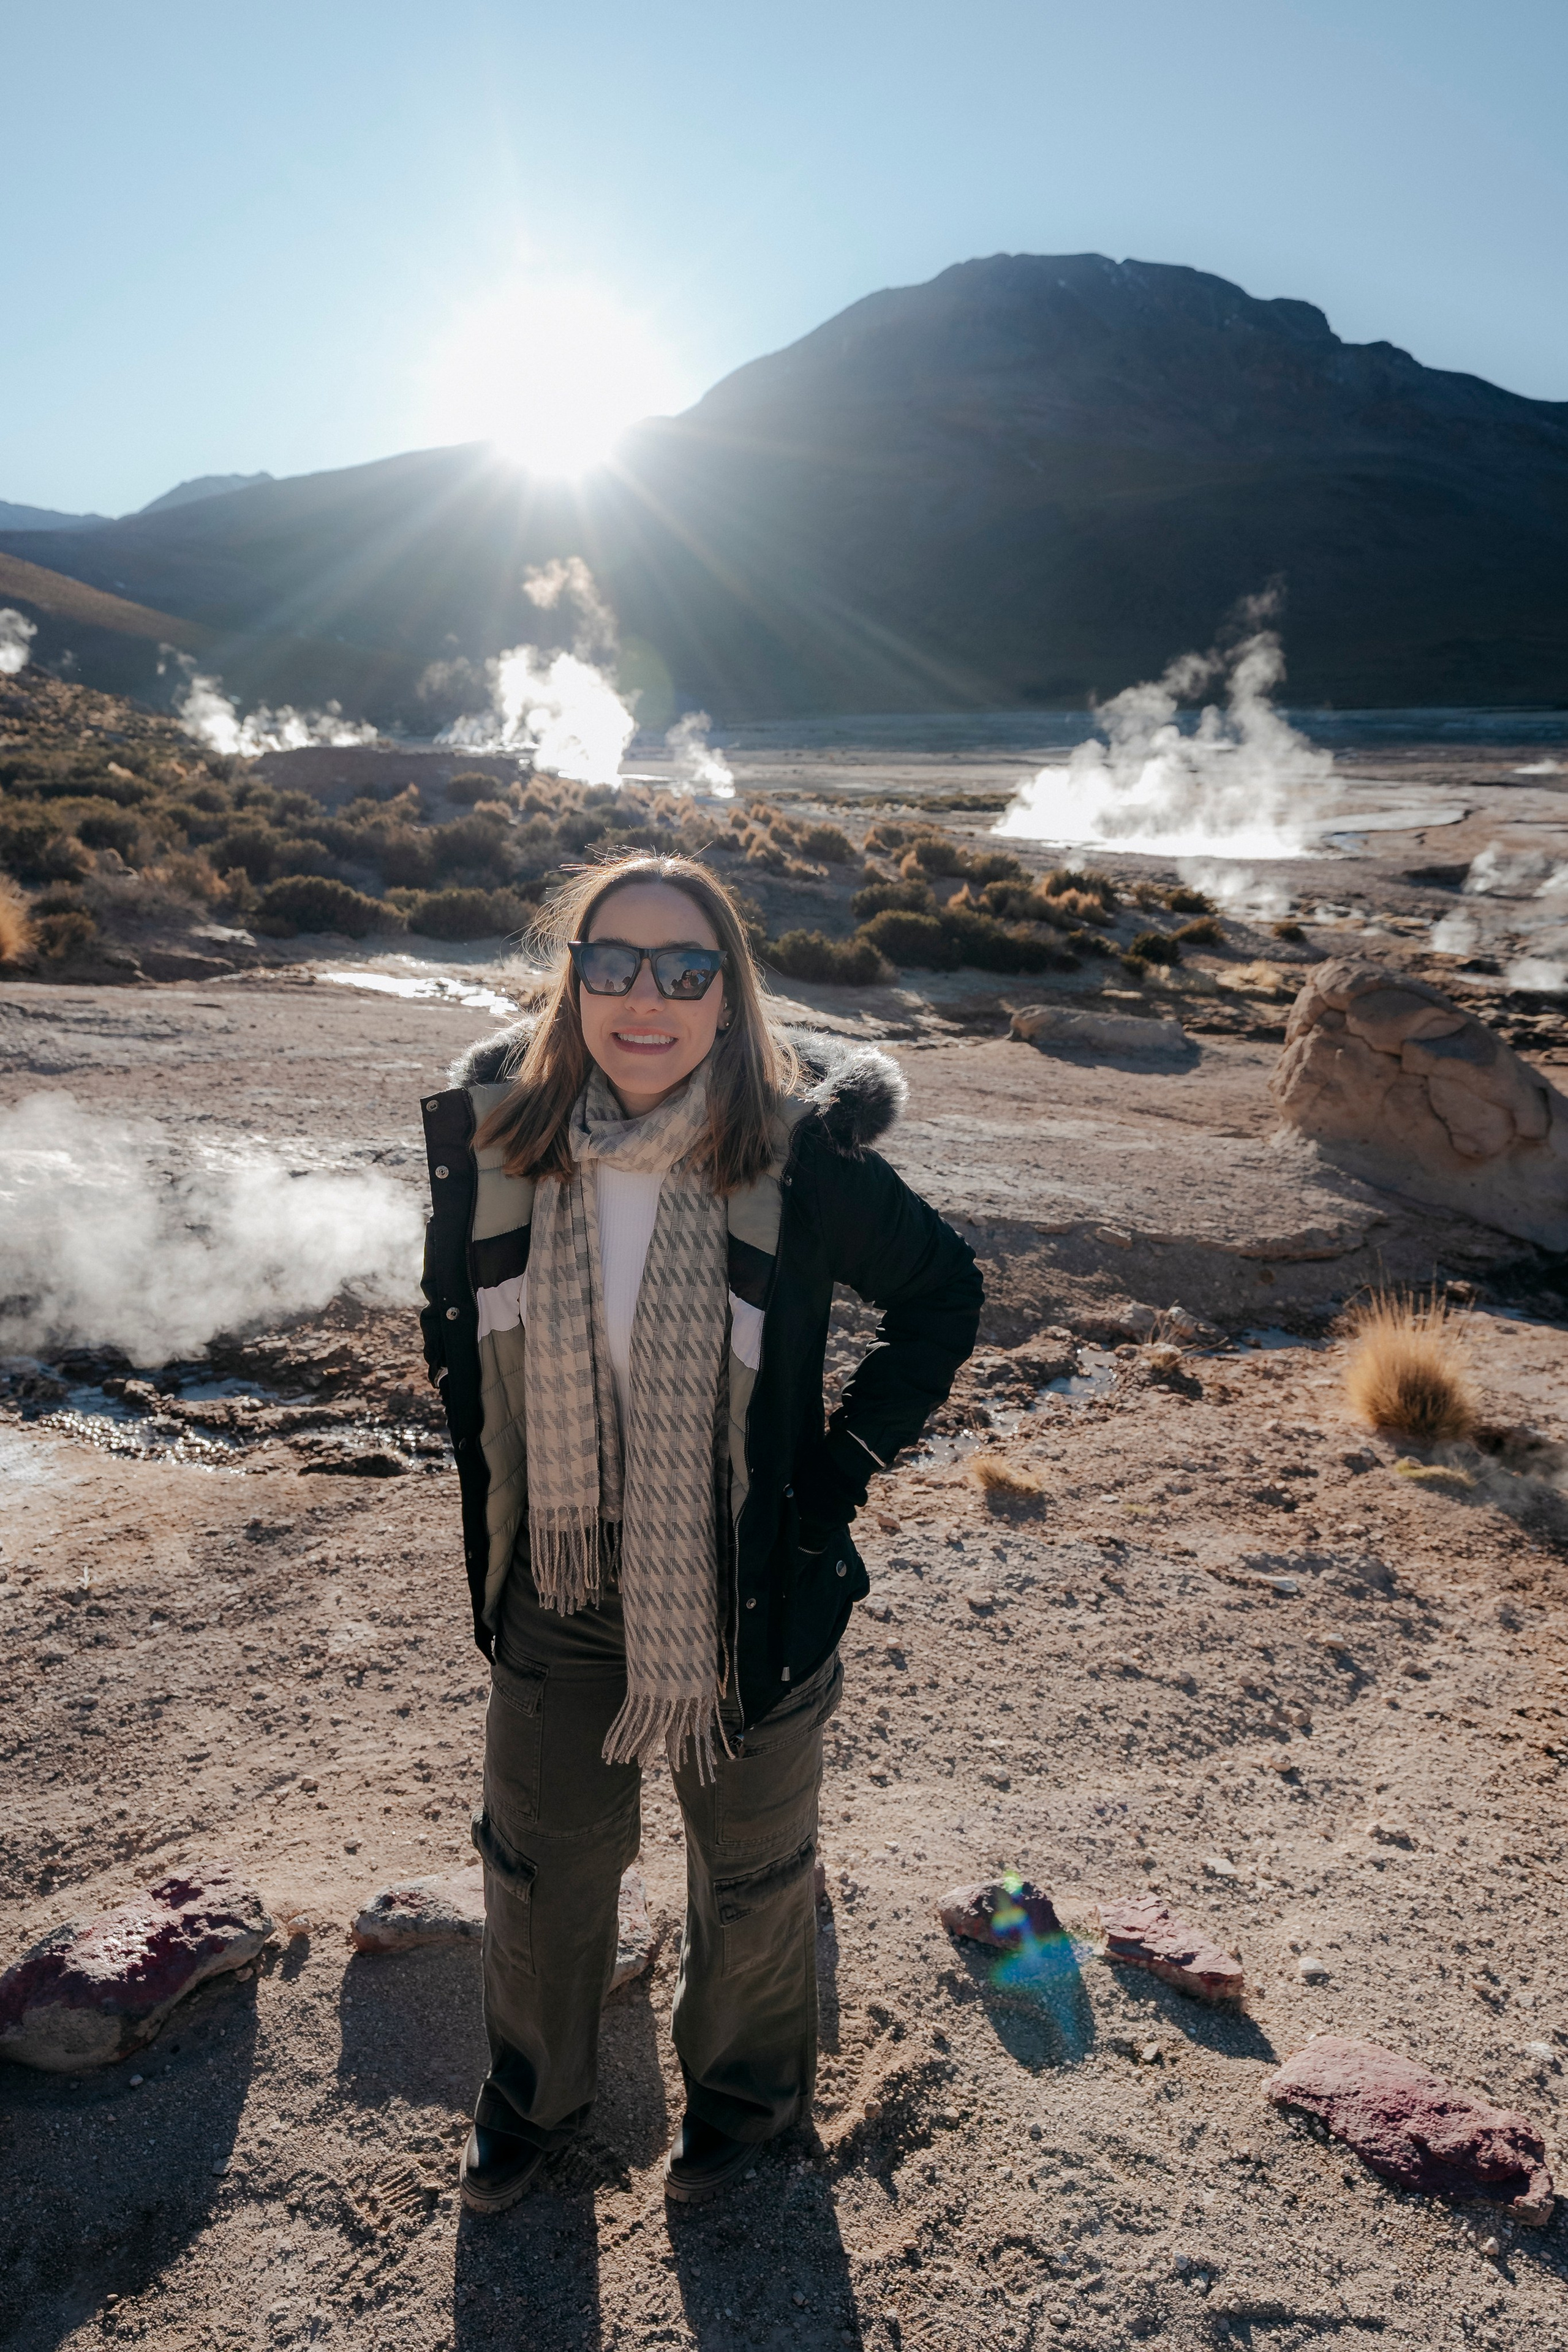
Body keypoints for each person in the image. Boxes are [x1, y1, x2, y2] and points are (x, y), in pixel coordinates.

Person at [420, 851, 981, 2212]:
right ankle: (532, 2103)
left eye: (685, 969)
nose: (644, 997)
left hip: (746, 1588)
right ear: (571, 982)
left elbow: (942, 1297)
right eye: (610, 963)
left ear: (729, 997)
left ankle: (740, 2109)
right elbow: (460, 1348)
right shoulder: (499, 1146)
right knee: (540, 1869)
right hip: (555, 1581)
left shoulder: (797, 1163)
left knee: (750, 1874)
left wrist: (837, 1473)